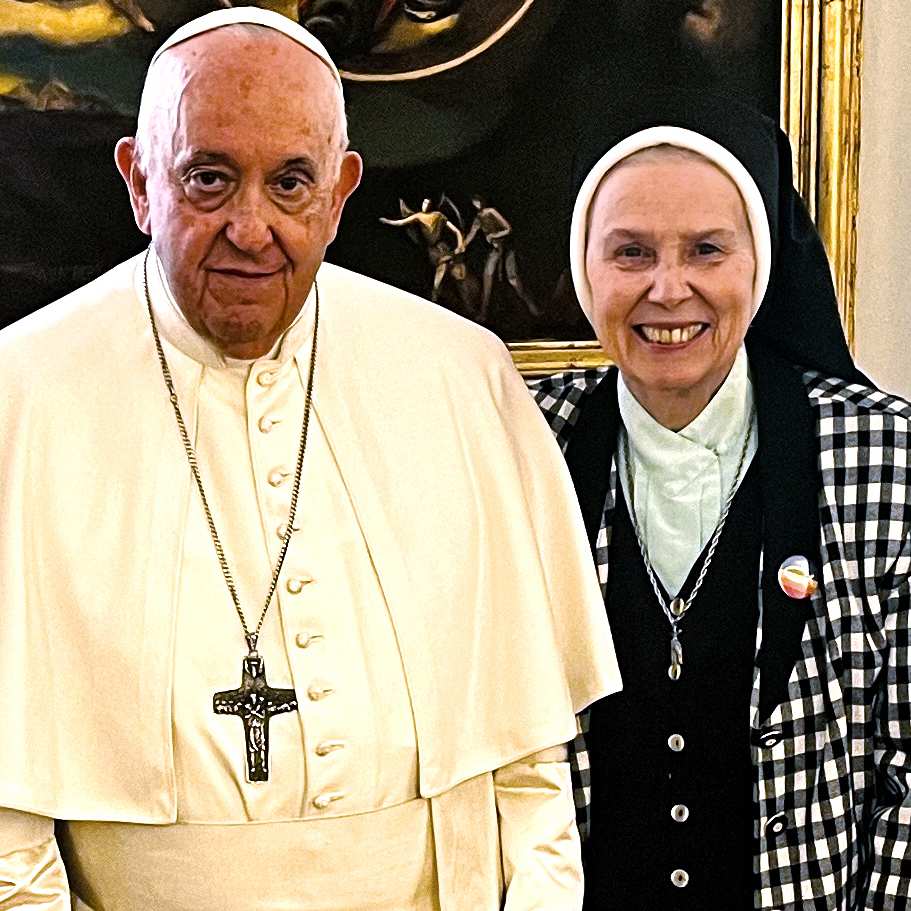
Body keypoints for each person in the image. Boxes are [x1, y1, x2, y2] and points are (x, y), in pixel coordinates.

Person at [0, 9, 621, 910]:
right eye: (208, 179)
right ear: (139, 183)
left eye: (291, 183)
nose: (251, 228)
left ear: (339, 192)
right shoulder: (23, 394)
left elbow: (529, 773)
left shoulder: (458, 378)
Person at [533, 91, 911, 909]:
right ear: (582, 264)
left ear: (760, 261)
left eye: (707, 249)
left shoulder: (887, 453)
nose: (669, 290)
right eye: (629, 252)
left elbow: (905, 767)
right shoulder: (524, 443)